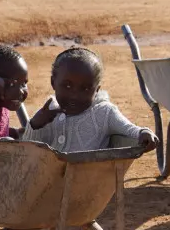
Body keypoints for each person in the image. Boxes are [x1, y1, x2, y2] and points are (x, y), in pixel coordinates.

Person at [22, 46, 157, 152]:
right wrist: (35, 124)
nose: (74, 95)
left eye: (85, 88)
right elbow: (27, 152)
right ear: (53, 83)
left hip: (89, 182)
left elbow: (129, 129)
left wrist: (143, 132)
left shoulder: (104, 113)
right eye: (67, 86)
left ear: (97, 90)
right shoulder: (49, 112)